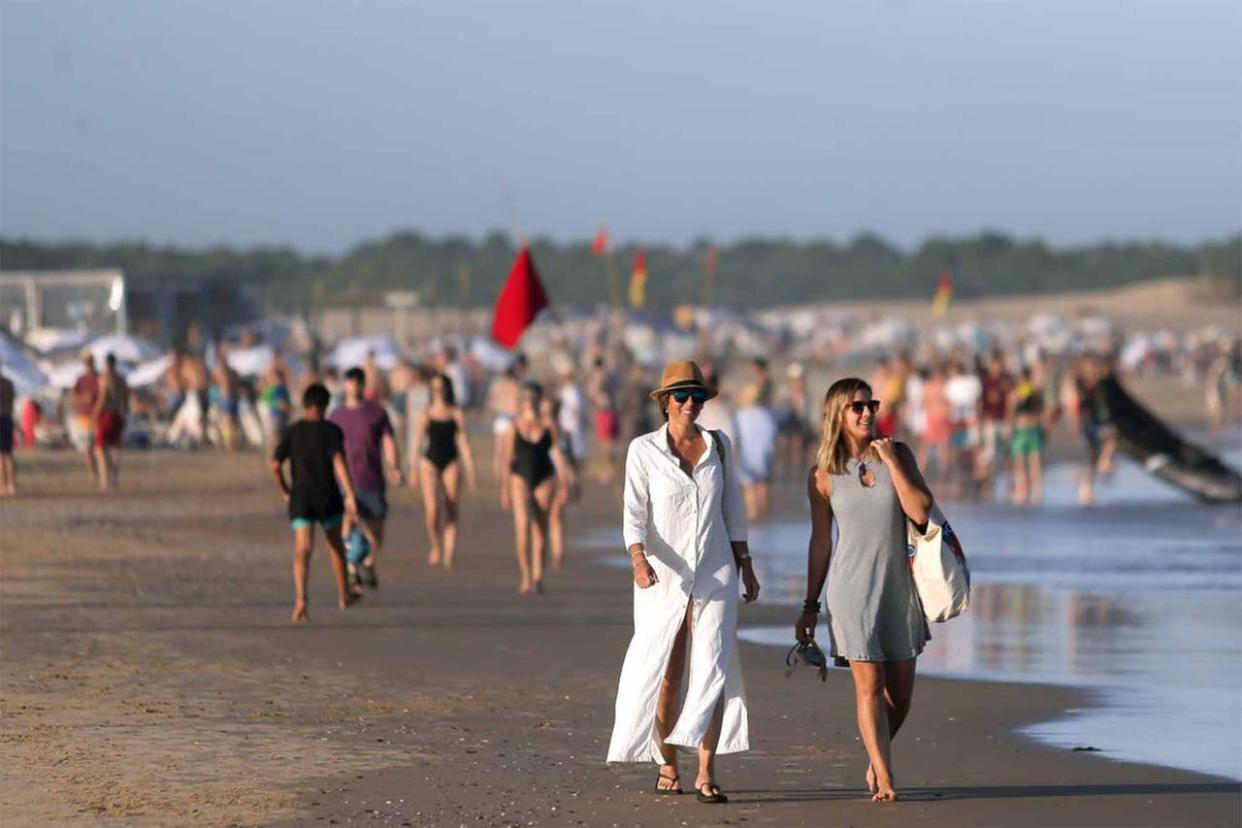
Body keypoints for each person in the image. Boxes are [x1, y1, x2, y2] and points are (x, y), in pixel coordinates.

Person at [608, 360, 760, 804]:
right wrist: (638, 560)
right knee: (665, 670)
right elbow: (634, 512)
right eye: (681, 395)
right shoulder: (644, 450)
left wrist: (746, 563)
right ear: (665, 402)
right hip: (663, 575)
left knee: (712, 667)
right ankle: (668, 762)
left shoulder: (719, 447)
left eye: (697, 395)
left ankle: (707, 771)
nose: (690, 402)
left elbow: (733, 509)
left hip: (715, 571)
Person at [795, 377, 933, 803]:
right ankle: (886, 777)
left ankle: (876, 755)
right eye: (857, 407)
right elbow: (821, 543)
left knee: (901, 695)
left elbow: (921, 512)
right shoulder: (823, 475)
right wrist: (810, 605)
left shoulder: (899, 453)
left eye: (870, 404)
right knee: (868, 687)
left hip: (899, 588)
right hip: (850, 590)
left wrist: (890, 462)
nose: (867, 412)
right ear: (838, 413)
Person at [270, 383, 360, 622]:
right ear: (325, 406)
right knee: (336, 547)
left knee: (303, 550)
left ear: (306, 405)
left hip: (301, 498)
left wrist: (285, 490)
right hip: (328, 497)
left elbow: (275, 465)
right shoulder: (332, 431)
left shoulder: (292, 431)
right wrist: (350, 495)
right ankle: (343, 595)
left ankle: (301, 601)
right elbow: (339, 462)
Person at [330, 367, 402, 590]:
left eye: (358, 381)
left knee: (376, 533)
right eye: (350, 381)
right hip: (344, 481)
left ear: (363, 384)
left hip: (371, 480)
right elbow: (329, 448)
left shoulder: (377, 413)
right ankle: (352, 571)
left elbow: (389, 441)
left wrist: (394, 466)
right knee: (347, 524)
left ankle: (368, 563)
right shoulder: (336, 415)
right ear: (345, 385)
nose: (354, 385)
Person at [498, 382, 571, 594]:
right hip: (519, 478)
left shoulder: (548, 425)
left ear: (539, 400)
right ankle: (526, 575)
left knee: (540, 528)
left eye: (532, 397)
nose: (528, 401)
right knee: (522, 527)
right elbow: (507, 459)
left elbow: (557, 453)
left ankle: (538, 575)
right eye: (525, 398)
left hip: (545, 477)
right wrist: (504, 489)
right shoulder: (514, 426)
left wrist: (564, 482)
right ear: (520, 402)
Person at [409, 373, 477, 569]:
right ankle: (436, 544)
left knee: (451, 505)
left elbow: (463, 442)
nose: (438, 392)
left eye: (441, 388)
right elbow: (418, 442)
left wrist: (470, 468)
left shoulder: (456, 413)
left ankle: (449, 552)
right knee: (432, 510)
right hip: (429, 461)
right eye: (435, 388)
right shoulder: (426, 413)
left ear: (448, 389)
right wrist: (413, 469)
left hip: (451, 461)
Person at [732, 383, 779, 521]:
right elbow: (772, 434)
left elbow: (737, 436)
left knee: (749, 487)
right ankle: (764, 514)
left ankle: (753, 514)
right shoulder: (766, 414)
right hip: (764, 453)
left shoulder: (740, 415)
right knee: (762, 485)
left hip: (747, 454)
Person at [976, 351, 1014, 499]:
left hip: (1002, 420)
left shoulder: (1005, 380)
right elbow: (981, 402)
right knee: (989, 452)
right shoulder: (985, 381)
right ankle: (983, 479)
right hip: (989, 421)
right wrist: (980, 420)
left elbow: (1011, 400)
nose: (995, 367)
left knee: (1005, 452)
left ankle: (1008, 483)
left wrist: (1009, 420)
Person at [1009, 366, 1046, 505]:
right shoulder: (1024, 392)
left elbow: (1012, 410)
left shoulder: (1029, 392)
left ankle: (1032, 491)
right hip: (1026, 429)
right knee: (1029, 461)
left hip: (1027, 429)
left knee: (1028, 462)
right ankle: (1028, 491)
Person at [92, 353, 129, 491]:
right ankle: (114, 475)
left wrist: (94, 416)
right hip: (118, 415)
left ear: (107, 364)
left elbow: (102, 399)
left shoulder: (104, 379)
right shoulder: (121, 380)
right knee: (115, 446)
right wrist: (125, 415)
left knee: (99, 448)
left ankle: (104, 480)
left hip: (106, 415)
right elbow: (126, 400)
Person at [587, 358, 620, 484]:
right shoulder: (609, 377)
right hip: (610, 412)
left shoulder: (599, 377)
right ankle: (610, 470)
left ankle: (609, 472)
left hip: (605, 412)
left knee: (606, 444)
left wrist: (598, 399)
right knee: (609, 443)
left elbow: (594, 393)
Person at [70, 351, 101, 481]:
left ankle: (102, 472)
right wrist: (84, 398)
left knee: (100, 447)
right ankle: (93, 474)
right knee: (87, 448)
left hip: (99, 416)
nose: (89, 364)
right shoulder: (80, 379)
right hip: (84, 417)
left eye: (90, 361)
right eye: (87, 362)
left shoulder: (100, 377)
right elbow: (73, 397)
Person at [0, 367, 16, 496]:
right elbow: (12, 402)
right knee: (8, 455)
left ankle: (2, 486)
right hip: (8, 417)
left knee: (1, 456)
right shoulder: (9, 383)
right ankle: (12, 485)